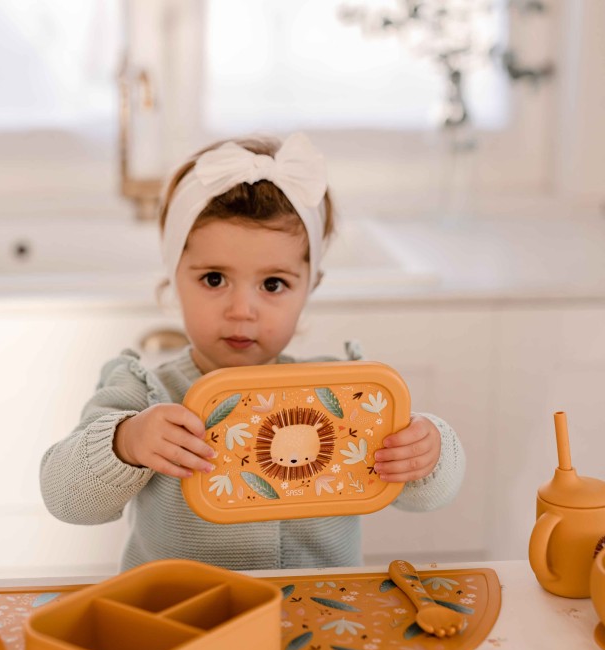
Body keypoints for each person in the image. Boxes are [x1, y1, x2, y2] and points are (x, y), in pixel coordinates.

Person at [40, 133, 465, 571]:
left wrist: (426, 450)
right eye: (213, 279)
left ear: (308, 288)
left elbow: (429, 495)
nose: (242, 311)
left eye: (273, 284)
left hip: (319, 616)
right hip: (184, 617)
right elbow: (65, 497)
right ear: (173, 276)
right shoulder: (145, 392)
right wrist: (125, 441)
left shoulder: (343, 393)